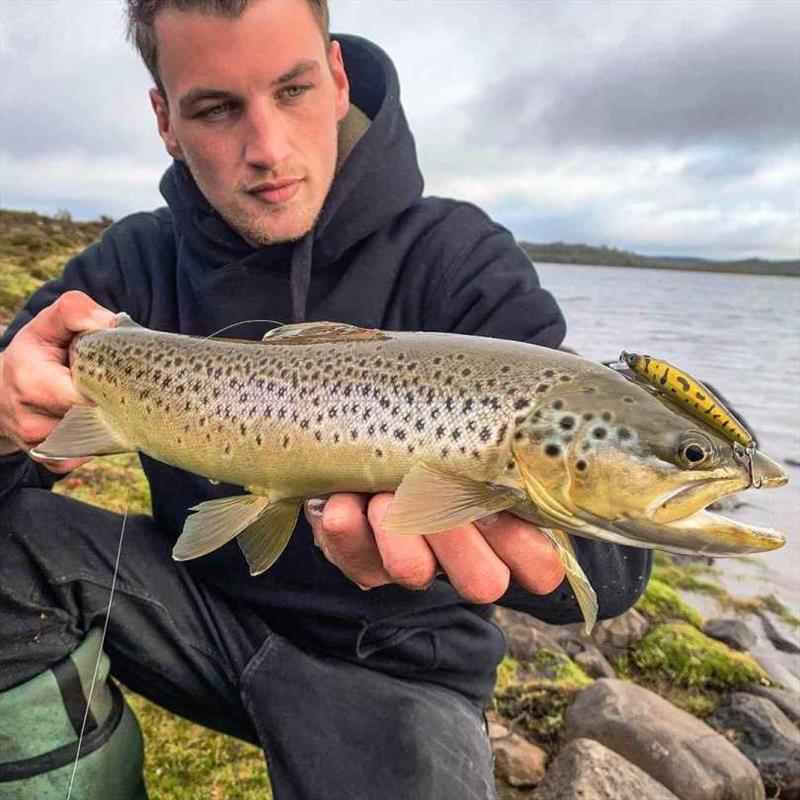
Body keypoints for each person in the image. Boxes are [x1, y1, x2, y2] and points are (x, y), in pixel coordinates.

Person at [0, 1, 651, 798]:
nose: (268, 149)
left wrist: (502, 537)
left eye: (294, 90)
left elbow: (615, 573)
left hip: (401, 673)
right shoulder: (127, 269)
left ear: (338, 78)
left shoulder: (461, 262)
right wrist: (4, 423)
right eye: (216, 108)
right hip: (191, 604)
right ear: (165, 119)